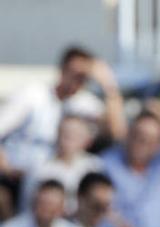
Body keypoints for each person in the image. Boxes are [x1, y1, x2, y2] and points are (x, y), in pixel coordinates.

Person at [0, 46, 124, 180]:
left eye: (84, 76)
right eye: (74, 73)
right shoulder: (32, 95)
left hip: (55, 181)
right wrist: (6, 169)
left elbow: (116, 132)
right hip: (15, 177)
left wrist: (109, 85)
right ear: (63, 69)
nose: (78, 79)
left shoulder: (85, 103)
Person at [20, 115, 101, 213]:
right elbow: (26, 205)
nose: (68, 139)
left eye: (75, 135)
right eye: (65, 134)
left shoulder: (95, 166)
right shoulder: (39, 167)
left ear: (87, 141)